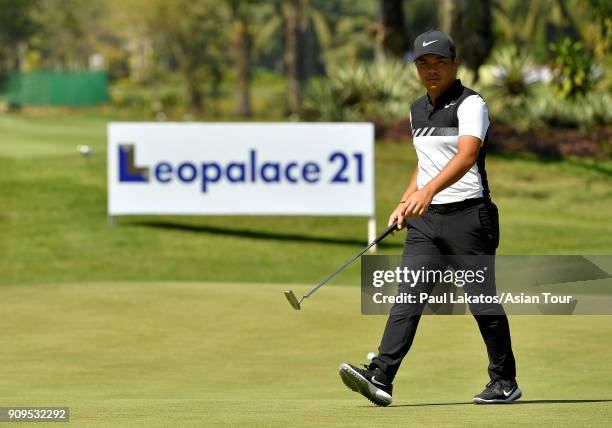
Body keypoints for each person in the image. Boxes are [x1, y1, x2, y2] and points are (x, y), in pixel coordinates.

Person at [338, 30, 520, 406]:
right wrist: (406, 200)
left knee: (482, 302)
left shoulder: (472, 104)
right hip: (427, 222)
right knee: (408, 297)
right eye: (424, 63)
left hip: (470, 217)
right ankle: (382, 376)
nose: (432, 70)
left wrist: (427, 192)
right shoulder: (417, 110)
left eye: (440, 62)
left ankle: (504, 381)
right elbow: (426, 164)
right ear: (416, 68)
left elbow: (466, 156)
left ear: (455, 64)